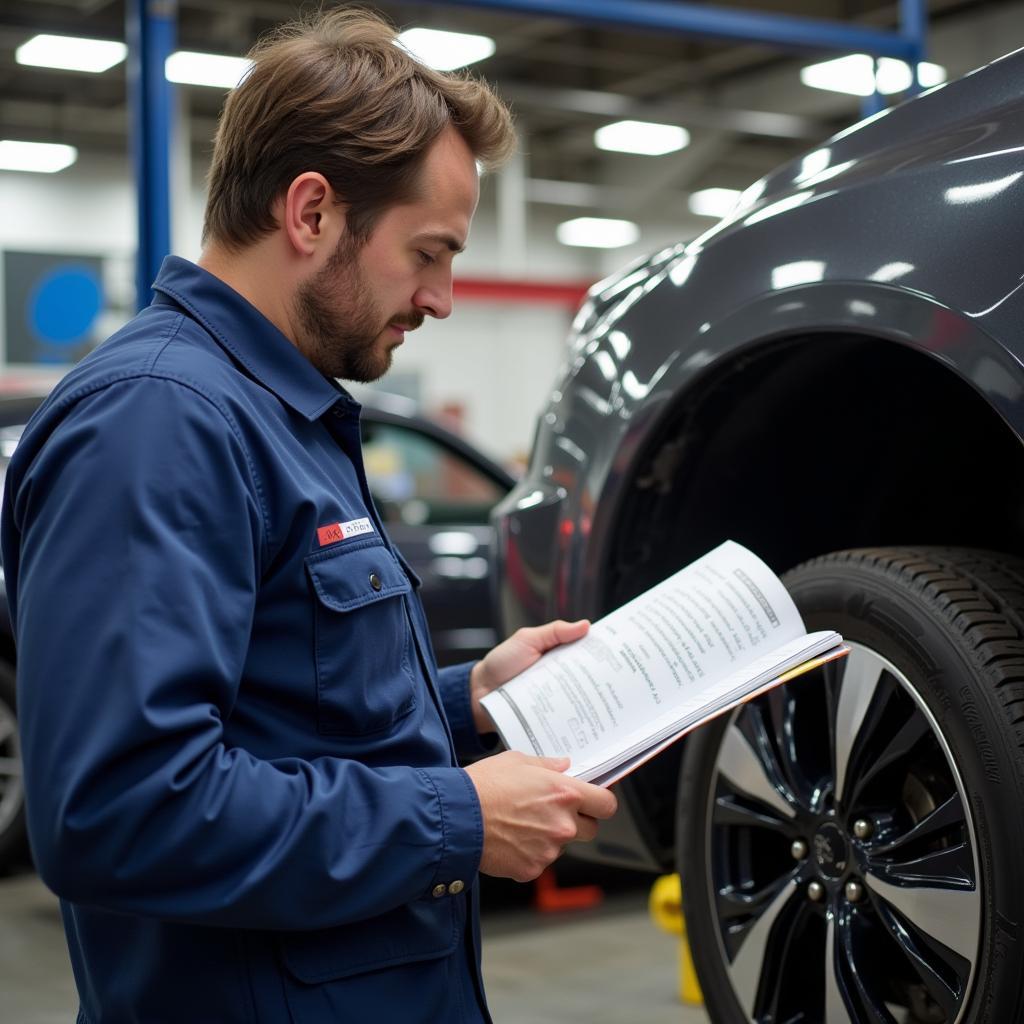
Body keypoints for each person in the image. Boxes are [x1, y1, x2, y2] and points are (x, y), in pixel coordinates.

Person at [0, 9, 617, 1023]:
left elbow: (284, 704)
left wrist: (472, 702)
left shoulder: (281, 411)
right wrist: (452, 816)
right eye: (428, 252)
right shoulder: (159, 422)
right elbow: (116, 811)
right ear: (313, 212)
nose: (444, 296)